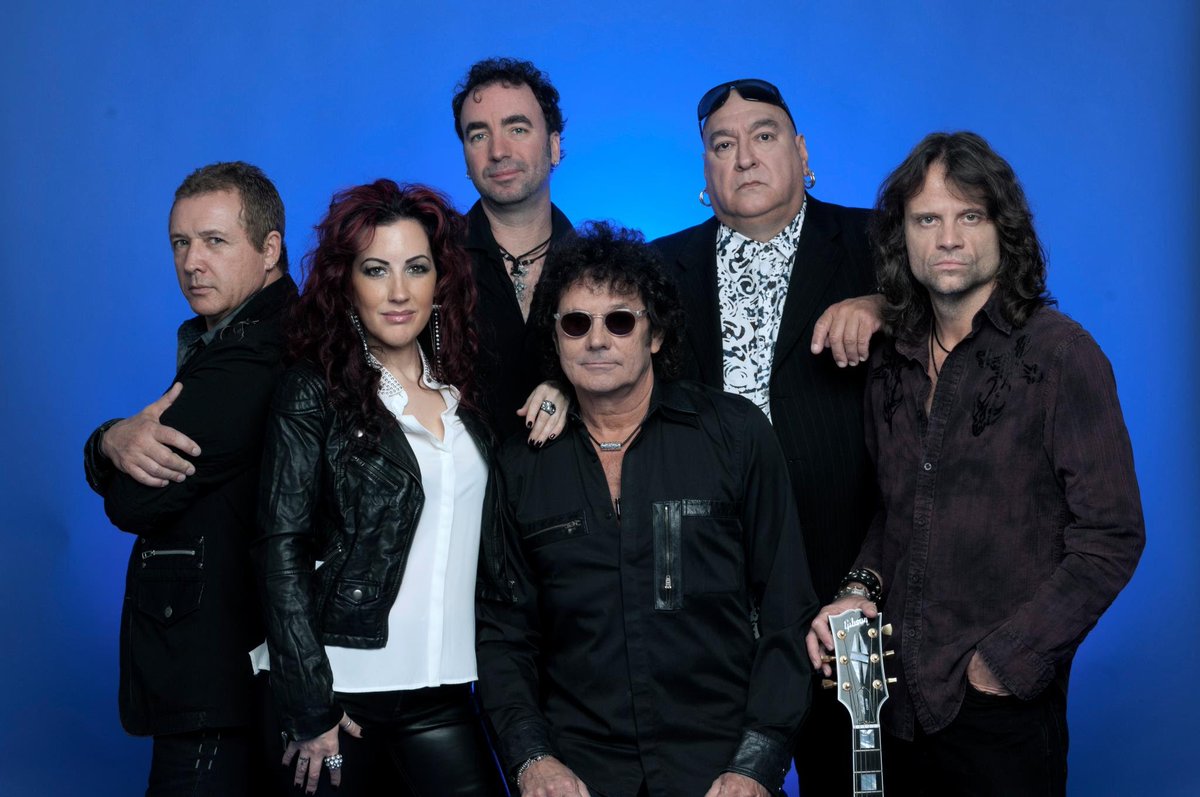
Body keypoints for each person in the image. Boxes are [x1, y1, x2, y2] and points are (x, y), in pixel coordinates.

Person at [806, 131, 1145, 795]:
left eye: (970, 216)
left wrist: (1005, 663)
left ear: (1002, 229)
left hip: (1000, 715)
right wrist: (857, 590)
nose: (948, 239)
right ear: (903, 237)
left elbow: (1112, 536)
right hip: (893, 707)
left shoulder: (1061, 355)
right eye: (926, 220)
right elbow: (895, 512)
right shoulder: (890, 361)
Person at [477, 221, 817, 797]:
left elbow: (787, 609)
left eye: (620, 321)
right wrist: (532, 761)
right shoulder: (520, 465)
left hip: (719, 770)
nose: (597, 340)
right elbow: (504, 636)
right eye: (576, 323)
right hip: (579, 775)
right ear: (556, 338)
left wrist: (756, 766)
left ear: (655, 334)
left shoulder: (734, 435)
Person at [651, 78, 881, 794]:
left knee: (857, 782)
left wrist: (886, 305)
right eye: (723, 144)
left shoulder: (877, 243)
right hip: (712, 602)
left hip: (849, 589)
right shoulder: (657, 269)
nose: (744, 156)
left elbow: (971, 306)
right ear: (705, 171)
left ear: (802, 153)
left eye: (764, 135)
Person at [252, 180, 508, 797]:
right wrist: (308, 701)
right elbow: (279, 546)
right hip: (338, 691)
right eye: (376, 270)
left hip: (445, 688)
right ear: (346, 283)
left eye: (416, 268)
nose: (398, 291)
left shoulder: (464, 391)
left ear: (439, 280)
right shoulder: (311, 391)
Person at [82, 161, 296, 795]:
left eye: (214, 241)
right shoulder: (228, 340)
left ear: (269, 250)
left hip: (219, 678)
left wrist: (107, 446)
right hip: (222, 676)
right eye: (180, 243)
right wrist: (113, 438)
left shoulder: (257, 352)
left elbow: (132, 502)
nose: (191, 263)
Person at [452, 56, 574, 440]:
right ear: (466, 159)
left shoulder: (600, 270)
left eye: (517, 129)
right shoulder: (432, 263)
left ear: (554, 146)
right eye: (478, 135)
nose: (498, 151)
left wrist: (573, 389)